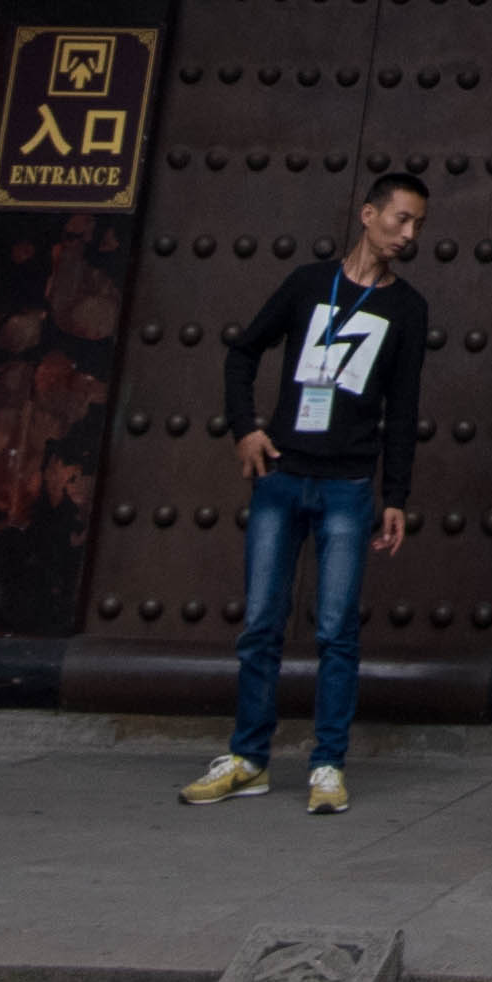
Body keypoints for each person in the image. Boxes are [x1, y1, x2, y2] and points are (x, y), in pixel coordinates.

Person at [182, 168, 434, 814]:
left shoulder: (407, 308)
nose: (409, 233)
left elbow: (402, 411)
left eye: (417, 225)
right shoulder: (305, 285)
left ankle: (327, 765)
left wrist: (396, 495)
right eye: (401, 219)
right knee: (262, 622)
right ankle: (249, 758)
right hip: (280, 477)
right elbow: (244, 352)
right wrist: (244, 430)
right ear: (368, 214)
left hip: (349, 487)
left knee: (335, 632)